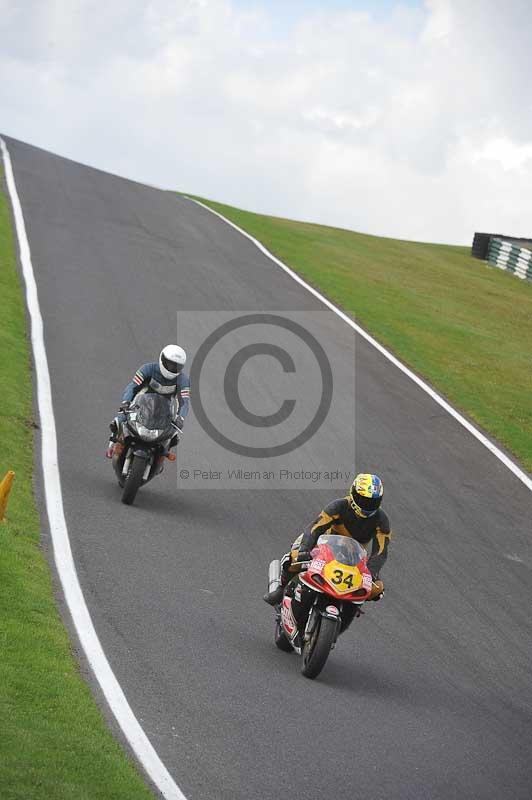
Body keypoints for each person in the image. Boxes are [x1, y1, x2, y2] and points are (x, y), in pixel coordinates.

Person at [264, 473, 391, 631]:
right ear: (353, 494)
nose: (367, 506)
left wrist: (371, 572)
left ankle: (349, 609)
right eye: (364, 500)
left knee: (377, 589)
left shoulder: (381, 520)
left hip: (353, 555)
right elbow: (315, 528)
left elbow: (381, 551)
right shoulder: (339, 506)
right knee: (294, 558)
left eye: (373, 502)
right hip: (323, 544)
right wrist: (305, 549)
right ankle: (281, 590)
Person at [106, 344, 190, 458]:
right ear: (162, 359)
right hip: (140, 405)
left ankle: (161, 456)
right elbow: (132, 387)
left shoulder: (183, 380)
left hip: (164, 411)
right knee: (119, 420)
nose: (171, 368)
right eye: (169, 364)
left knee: (174, 436)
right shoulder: (147, 369)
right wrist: (126, 402)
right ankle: (113, 444)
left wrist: (181, 418)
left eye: (176, 366)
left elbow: (184, 402)